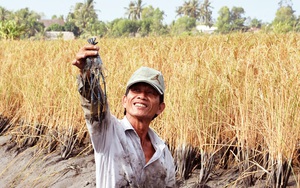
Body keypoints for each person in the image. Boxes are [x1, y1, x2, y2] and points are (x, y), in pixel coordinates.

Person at [72, 44, 176, 188]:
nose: (142, 96)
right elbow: (94, 103)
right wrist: (87, 74)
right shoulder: (108, 131)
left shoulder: (163, 152)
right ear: (124, 101)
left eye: (150, 93)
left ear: (160, 108)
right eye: (136, 90)